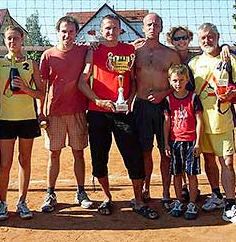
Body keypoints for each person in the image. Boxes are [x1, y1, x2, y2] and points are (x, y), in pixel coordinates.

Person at [78, 14, 158, 219]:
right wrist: (97, 101)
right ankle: (107, 197)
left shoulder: (129, 50)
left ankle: (138, 200)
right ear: (101, 30)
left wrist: (130, 99)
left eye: (114, 28)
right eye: (107, 28)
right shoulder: (92, 51)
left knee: (134, 155)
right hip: (98, 113)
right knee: (99, 158)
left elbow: (133, 80)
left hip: (123, 113)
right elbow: (82, 82)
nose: (110, 32)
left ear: (121, 30)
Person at [188, 22, 236, 228]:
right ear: (198, 41)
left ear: (217, 36)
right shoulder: (193, 63)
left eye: (210, 37)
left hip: (222, 118)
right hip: (200, 122)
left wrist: (233, 93)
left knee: (227, 162)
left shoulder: (231, 58)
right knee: (209, 160)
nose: (207, 41)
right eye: (203, 38)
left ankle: (230, 205)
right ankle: (216, 195)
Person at [165, 25, 230, 201]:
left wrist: (225, 46)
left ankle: (210, 192)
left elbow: (213, 52)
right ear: (171, 41)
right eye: (177, 38)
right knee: (180, 150)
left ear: (190, 38)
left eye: (184, 37)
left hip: (203, 110)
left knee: (200, 153)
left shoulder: (195, 58)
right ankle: (185, 188)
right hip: (177, 110)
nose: (181, 41)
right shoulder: (168, 55)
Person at [39, 16, 93, 213]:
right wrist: (41, 111)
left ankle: (81, 191)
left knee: (78, 153)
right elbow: (43, 87)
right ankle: (50, 193)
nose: (67, 35)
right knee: (54, 154)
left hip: (78, 111)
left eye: (71, 31)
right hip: (54, 113)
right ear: (58, 32)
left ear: (76, 33)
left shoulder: (84, 51)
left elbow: (99, 46)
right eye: (64, 31)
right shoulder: (48, 55)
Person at [0, 26, 44, 221]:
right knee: (5, 163)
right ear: (4, 41)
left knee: (24, 160)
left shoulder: (32, 64)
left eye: (16, 38)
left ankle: (22, 201)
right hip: (5, 120)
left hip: (27, 119)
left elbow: (41, 93)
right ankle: (2, 203)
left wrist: (26, 89)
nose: (13, 42)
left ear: (23, 40)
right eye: (9, 39)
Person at [133, 12, 181, 211]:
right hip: (141, 106)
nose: (152, 27)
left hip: (163, 108)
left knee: (166, 152)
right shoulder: (134, 51)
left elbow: (180, 81)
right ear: (143, 28)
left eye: (156, 24)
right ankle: (145, 188)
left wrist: (164, 93)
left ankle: (166, 192)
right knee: (145, 151)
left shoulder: (170, 54)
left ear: (161, 28)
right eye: (148, 24)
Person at [163, 64, 203, 220]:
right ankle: (179, 201)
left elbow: (199, 121)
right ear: (169, 81)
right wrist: (166, 143)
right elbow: (166, 122)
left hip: (191, 141)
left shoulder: (193, 97)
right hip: (175, 142)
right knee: (177, 174)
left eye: (181, 80)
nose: (178, 83)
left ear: (187, 80)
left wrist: (198, 142)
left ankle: (192, 203)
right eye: (174, 80)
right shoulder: (168, 99)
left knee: (191, 174)